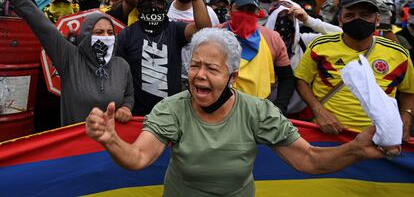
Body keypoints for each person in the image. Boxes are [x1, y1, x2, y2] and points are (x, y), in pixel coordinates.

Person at [86, 27, 391, 197]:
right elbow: (138, 158)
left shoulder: (258, 112)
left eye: (211, 69)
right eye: (194, 66)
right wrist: (111, 140)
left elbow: (309, 159)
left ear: (232, 77)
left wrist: (354, 150)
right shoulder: (172, 109)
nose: (199, 75)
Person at [0, 0, 134, 126]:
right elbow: (42, 25)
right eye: (99, 32)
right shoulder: (70, 59)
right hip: (76, 146)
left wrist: (127, 107)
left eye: (110, 32)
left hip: (111, 145)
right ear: (86, 35)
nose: (105, 37)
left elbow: (128, 95)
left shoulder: (122, 66)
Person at [295, 0, 414, 140]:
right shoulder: (320, 46)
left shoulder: (398, 53)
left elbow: (409, 91)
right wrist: (318, 111)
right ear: (340, 20)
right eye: (350, 15)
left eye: (365, 15)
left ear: (377, 19)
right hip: (329, 134)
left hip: (379, 138)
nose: (358, 20)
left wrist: (406, 117)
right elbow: (301, 80)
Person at [116, 0, 212, 116]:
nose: (153, 6)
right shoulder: (127, 34)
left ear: (165, 6)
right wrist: (125, 105)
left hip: (170, 115)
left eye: (158, 2)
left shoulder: (174, 29)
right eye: (148, 2)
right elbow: (119, 75)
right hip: (136, 116)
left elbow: (204, 31)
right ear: (140, 6)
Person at [220, 0, 294, 114]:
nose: (245, 14)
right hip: (219, 111)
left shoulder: (272, 38)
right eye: (240, 9)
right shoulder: (214, 35)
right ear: (229, 9)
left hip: (258, 113)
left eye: (250, 10)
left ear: (258, 12)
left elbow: (287, 77)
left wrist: (279, 108)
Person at [265, 1, 342, 115]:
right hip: (267, 113)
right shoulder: (261, 42)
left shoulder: (305, 41)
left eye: (289, 19)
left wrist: (308, 20)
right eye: (278, 18)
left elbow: (341, 34)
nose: (283, 24)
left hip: (300, 115)